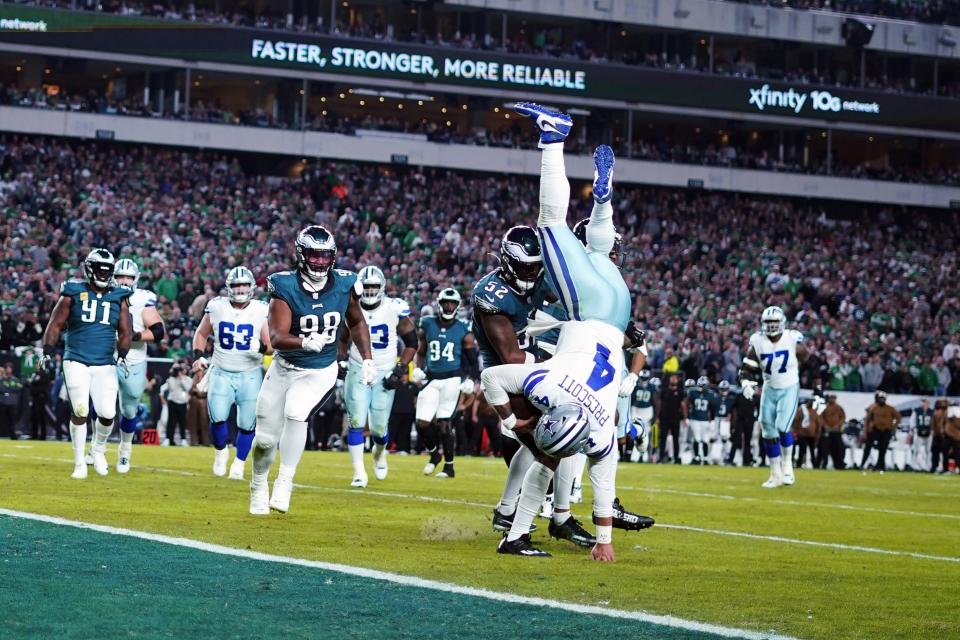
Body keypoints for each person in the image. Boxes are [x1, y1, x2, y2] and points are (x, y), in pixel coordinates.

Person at [483, 106, 652, 559]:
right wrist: (512, 419)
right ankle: (598, 198)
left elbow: (602, 485)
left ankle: (558, 144)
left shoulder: (588, 427)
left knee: (554, 225)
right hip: (605, 307)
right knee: (573, 234)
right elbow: (496, 381)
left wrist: (510, 421)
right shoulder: (566, 403)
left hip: (607, 311)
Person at [249, 225, 374, 515]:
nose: (318, 262)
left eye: (324, 256)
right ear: (301, 255)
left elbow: (356, 322)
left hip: (320, 370)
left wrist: (367, 358)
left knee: (296, 412)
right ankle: (257, 484)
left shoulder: (345, 283)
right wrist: (304, 341)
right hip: (284, 367)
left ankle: (285, 481)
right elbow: (278, 338)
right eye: (313, 256)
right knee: (266, 440)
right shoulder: (284, 285)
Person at [472, 225, 551, 531]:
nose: (530, 274)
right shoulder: (491, 295)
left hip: (529, 366)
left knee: (534, 447)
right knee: (547, 446)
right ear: (506, 261)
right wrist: (558, 361)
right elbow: (511, 357)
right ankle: (538, 516)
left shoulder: (538, 277)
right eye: (523, 267)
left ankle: (507, 512)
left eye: (535, 267)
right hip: (505, 376)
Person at [38, 249, 132, 478]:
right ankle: (79, 462)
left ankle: (97, 449)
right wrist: (48, 351)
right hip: (76, 360)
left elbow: (126, 331)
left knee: (108, 413)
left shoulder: (119, 296)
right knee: (80, 408)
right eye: (99, 269)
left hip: (104, 363)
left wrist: (122, 354)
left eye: (107, 270)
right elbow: (55, 324)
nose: (103, 273)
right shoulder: (72, 291)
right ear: (89, 269)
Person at [340, 265, 417, 487]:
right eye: (366, 286)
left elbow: (412, 343)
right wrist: (341, 359)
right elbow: (342, 339)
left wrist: (401, 368)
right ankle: (358, 473)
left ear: (382, 287)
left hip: (384, 371)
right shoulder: (351, 307)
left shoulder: (394, 309)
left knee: (379, 429)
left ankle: (379, 453)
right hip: (358, 368)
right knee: (355, 421)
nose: (370, 291)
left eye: (374, 286)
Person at [192, 266, 271, 479]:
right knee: (217, 418)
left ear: (252, 286)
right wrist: (198, 356)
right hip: (221, 371)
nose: (240, 289)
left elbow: (272, 345)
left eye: (244, 285)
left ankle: (239, 463)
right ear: (228, 287)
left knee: (247, 423)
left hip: (250, 373)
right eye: (236, 285)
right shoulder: (216, 306)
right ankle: (220, 452)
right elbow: (201, 334)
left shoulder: (260, 309)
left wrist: (261, 348)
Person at [738, 305, 808, 488]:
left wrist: (817, 388)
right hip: (769, 388)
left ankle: (788, 467)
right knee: (768, 430)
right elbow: (747, 369)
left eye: (774, 322)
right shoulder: (758, 341)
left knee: (783, 426)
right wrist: (746, 383)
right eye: (767, 322)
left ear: (782, 322)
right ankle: (774, 473)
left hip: (789, 386)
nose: (770, 326)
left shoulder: (792, 338)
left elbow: (809, 360)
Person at [413, 288, 477, 479]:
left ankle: (449, 467)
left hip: (452, 379)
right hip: (432, 378)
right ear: (439, 304)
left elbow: (473, 361)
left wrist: (471, 380)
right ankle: (434, 454)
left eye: (452, 303)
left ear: (457, 306)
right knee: (422, 423)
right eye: (445, 303)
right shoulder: (427, 323)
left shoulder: (464, 329)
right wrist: (418, 367)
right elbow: (421, 350)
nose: (448, 306)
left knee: (444, 423)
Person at [110, 259, 165, 473]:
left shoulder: (143, 298)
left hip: (133, 359)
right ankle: (97, 446)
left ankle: (125, 449)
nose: (124, 281)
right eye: (120, 276)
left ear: (136, 279)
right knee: (101, 402)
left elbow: (158, 331)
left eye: (128, 277)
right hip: (107, 356)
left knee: (129, 410)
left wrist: (134, 335)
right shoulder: (103, 295)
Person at [861, 390, 900, 472]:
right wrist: (867, 430)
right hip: (875, 430)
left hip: (886, 430)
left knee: (883, 448)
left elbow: (898, 418)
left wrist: (893, 427)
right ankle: (863, 464)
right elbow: (867, 419)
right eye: (880, 398)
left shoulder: (890, 408)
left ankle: (880, 465)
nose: (881, 400)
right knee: (868, 447)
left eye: (883, 398)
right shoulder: (873, 407)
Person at [684, 376, 715, 465]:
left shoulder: (710, 394)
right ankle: (696, 457)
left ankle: (705, 458)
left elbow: (712, 408)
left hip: (705, 420)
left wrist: (712, 419)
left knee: (705, 439)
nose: (702, 387)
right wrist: (687, 417)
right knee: (697, 438)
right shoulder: (693, 392)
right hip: (695, 419)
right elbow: (686, 404)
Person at [629, 370, 658, 462]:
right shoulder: (636, 386)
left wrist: (656, 416)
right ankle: (635, 454)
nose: (644, 380)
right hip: (636, 410)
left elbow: (656, 402)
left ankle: (643, 453)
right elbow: (631, 400)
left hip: (647, 411)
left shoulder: (652, 387)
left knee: (645, 434)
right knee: (634, 433)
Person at [727, 387, 758, 467]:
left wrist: (756, 419)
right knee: (736, 441)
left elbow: (759, 409)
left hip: (750, 421)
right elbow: (732, 408)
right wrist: (732, 419)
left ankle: (746, 461)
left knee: (748, 441)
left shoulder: (755, 397)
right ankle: (730, 460)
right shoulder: (739, 396)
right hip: (740, 421)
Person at [164, 362, 193, 446]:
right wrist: (173, 376)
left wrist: (181, 378)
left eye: (182, 370)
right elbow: (171, 388)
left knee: (182, 422)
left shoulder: (187, 379)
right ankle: (168, 439)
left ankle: (183, 439)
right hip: (172, 401)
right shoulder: (171, 379)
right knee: (171, 422)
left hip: (182, 402)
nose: (180, 371)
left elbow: (187, 388)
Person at [658, 374, 685, 464]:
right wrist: (657, 417)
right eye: (672, 378)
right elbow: (659, 404)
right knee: (663, 438)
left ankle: (676, 458)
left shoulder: (680, 392)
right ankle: (661, 458)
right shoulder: (664, 391)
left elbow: (683, 405)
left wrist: (685, 418)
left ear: (678, 380)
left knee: (676, 439)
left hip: (675, 418)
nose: (673, 379)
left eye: (675, 378)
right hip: (664, 418)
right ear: (669, 380)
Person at [818, 394, 846, 470]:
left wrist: (837, 425)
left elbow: (842, 418)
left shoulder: (839, 408)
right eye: (831, 398)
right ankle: (824, 464)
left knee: (838, 448)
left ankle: (839, 464)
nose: (832, 400)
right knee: (825, 448)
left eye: (833, 398)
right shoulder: (824, 408)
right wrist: (825, 425)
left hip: (836, 431)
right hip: (827, 431)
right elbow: (821, 418)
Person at [712, 380, 736, 465]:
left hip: (725, 420)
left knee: (725, 439)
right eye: (722, 389)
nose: (724, 391)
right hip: (717, 419)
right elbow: (712, 410)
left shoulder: (731, 399)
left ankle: (726, 456)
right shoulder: (716, 398)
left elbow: (733, 412)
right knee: (715, 438)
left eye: (725, 389)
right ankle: (715, 457)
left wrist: (731, 420)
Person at [793, 399, 821, 469]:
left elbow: (818, 424)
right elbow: (796, 421)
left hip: (812, 435)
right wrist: (795, 432)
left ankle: (815, 465)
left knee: (812, 451)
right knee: (802, 450)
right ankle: (799, 464)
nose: (810, 403)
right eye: (809, 401)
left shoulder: (814, 412)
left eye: (811, 402)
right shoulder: (801, 411)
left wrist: (817, 433)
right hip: (802, 434)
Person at [0, 364, 23, 440]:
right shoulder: (2, 379)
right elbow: (2, 388)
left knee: (12, 420)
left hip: (12, 402)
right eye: (7, 368)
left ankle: (12, 434)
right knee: (2, 419)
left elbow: (19, 387)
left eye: (9, 368)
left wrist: (9, 389)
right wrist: (11, 389)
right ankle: (2, 434)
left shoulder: (15, 379)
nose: (8, 370)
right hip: (3, 402)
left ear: (12, 370)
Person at [912, 398, 934, 472]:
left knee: (928, 450)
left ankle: (927, 466)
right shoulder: (917, 410)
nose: (925, 404)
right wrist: (914, 429)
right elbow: (912, 421)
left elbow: (934, 422)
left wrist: (932, 430)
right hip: (919, 432)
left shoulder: (931, 411)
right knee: (916, 450)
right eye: (923, 402)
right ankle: (914, 466)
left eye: (926, 402)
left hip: (929, 432)